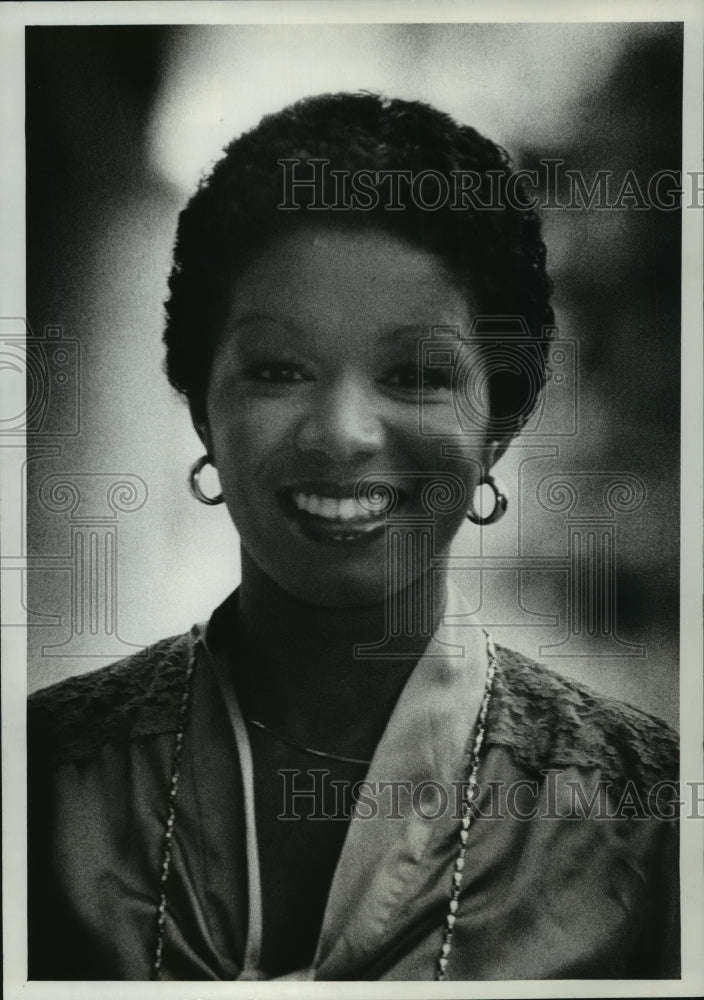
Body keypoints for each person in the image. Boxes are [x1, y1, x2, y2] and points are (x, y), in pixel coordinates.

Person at [27, 92, 679, 982]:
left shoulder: (641, 825)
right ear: (203, 406)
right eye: (279, 368)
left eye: (414, 373)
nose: (341, 433)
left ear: (501, 419)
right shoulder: (39, 789)